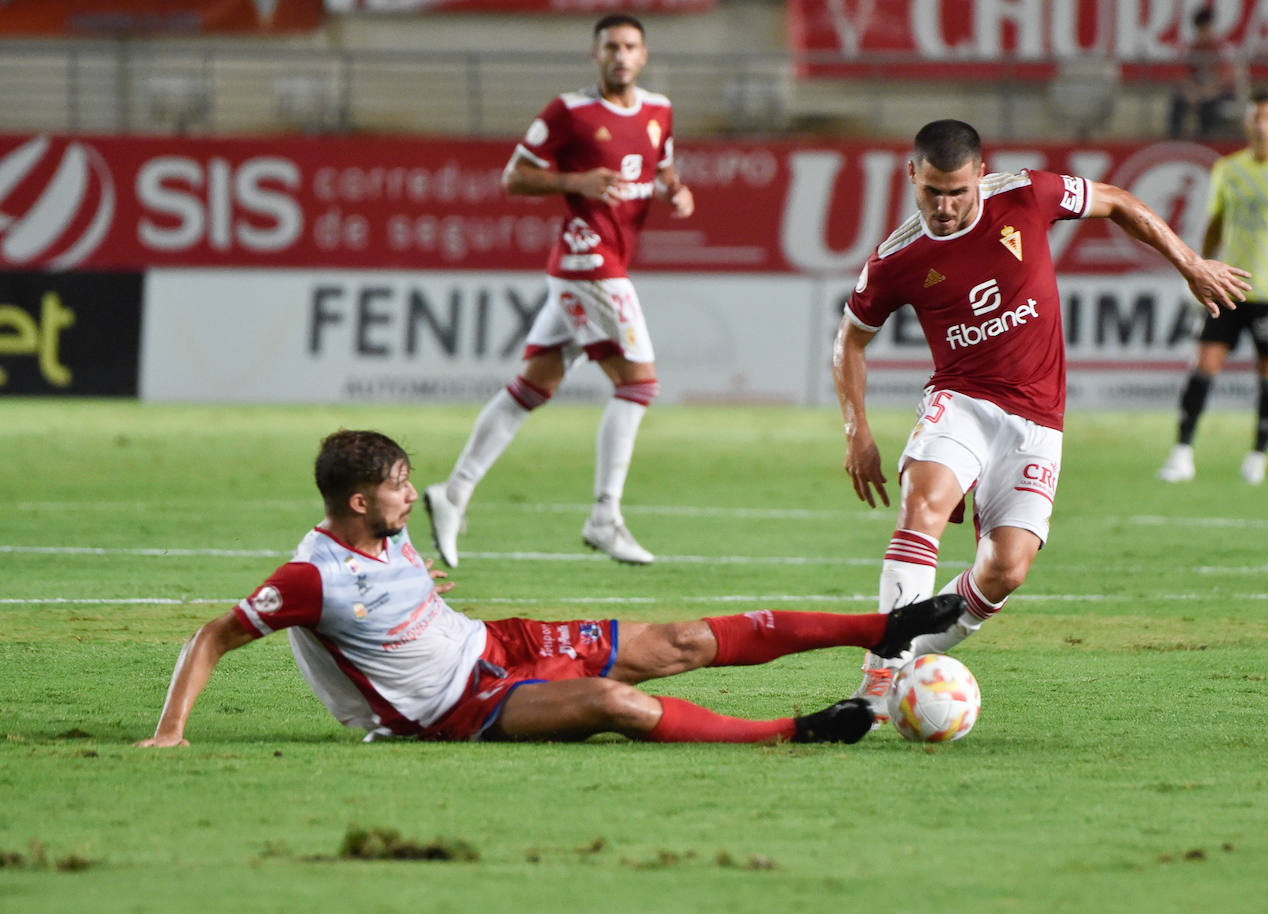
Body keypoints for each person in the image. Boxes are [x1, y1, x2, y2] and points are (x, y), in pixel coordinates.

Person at [137, 429, 968, 748]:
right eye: (398, 487)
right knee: (613, 703)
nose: (411, 495)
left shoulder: (382, 537)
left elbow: (382, 592)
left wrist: (414, 582)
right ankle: (796, 732)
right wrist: (172, 731)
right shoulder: (308, 578)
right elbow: (213, 636)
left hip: (497, 642)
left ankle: (882, 627)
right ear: (358, 503)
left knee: (682, 640)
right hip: (455, 708)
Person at [833, 120, 1250, 724]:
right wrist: (858, 433)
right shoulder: (897, 258)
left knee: (1005, 569)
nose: (944, 207)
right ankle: (880, 678)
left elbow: (1119, 201)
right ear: (912, 176)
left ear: (980, 176)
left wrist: (1188, 262)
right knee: (923, 503)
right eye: (932, 192)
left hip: (1038, 419)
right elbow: (850, 342)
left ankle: (905, 656)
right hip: (961, 401)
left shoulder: (1026, 195)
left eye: (957, 192)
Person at [424, 13, 694, 568]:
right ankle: (605, 516)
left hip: (603, 261)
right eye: (611, 47)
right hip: (587, 260)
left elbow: (662, 167)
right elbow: (514, 177)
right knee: (638, 383)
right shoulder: (569, 112)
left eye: (630, 46)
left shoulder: (659, 110)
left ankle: (453, 491)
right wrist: (576, 182)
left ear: (643, 55)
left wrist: (676, 190)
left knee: (532, 387)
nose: (621, 55)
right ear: (596, 54)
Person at [1158, 91, 1268, 485]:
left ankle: (1258, 456)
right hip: (1228, 287)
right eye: (1254, 117)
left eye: (1267, 116)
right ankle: (1182, 453)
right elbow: (1215, 224)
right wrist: (1196, 268)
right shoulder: (1228, 170)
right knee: (1204, 364)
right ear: (1246, 124)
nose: (1260, 124)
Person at [1167, 6, 1236, 140]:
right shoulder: (1192, 48)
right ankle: (1174, 140)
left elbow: (1226, 78)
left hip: (1219, 92)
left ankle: (1206, 140)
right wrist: (1191, 91)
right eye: (1201, 29)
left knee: (1208, 104)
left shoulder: (1222, 48)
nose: (1205, 33)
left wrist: (1206, 92)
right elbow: (1183, 76)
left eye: (1207, 28)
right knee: (1177, 100)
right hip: (1197, 90)